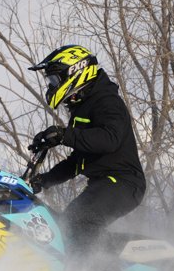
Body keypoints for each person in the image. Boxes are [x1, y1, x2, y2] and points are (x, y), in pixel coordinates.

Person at [27, 44, 146, 257]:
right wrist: (43, 181)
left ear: (76, 71)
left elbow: (110, 139)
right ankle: (103, 264)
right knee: (66, 225)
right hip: (104, 183)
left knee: (81, 219)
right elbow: (78, 161)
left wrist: (64, 135)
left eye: (55, 80)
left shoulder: (107, 101)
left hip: (124, 183)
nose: (52, 86)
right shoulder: (83, 107)